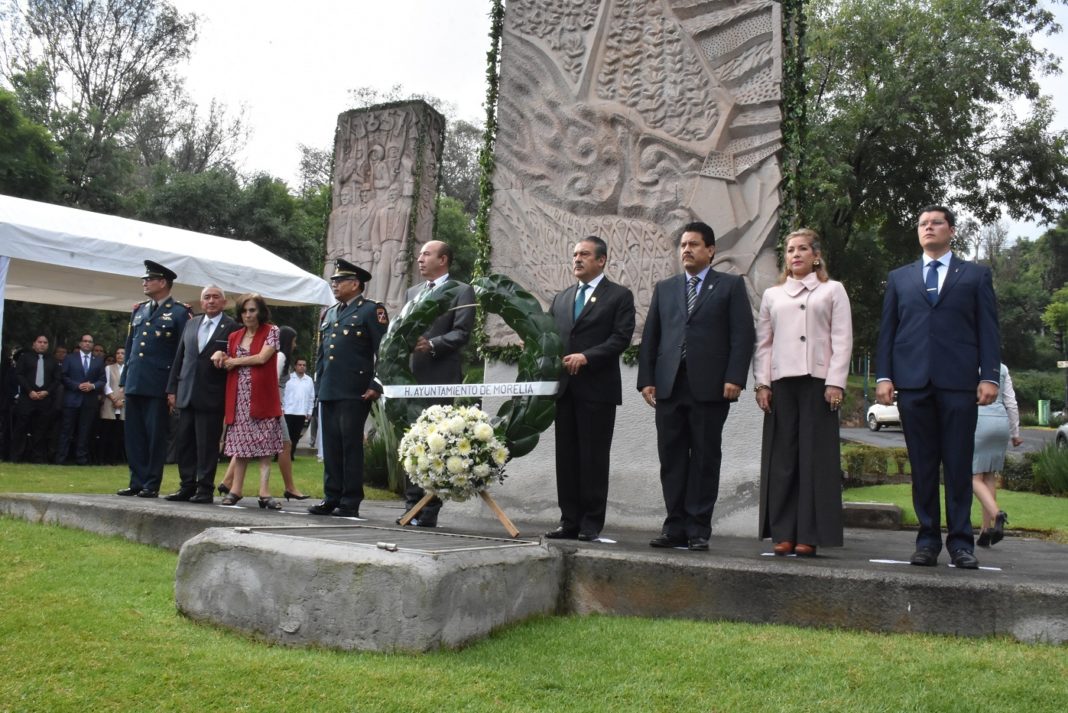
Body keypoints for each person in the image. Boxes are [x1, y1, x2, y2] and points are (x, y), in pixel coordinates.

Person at [876, 205, 1000, 570]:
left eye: (936, 223)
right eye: (922, 224)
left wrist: (989, 375)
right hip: (913, 386)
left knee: (960, 466)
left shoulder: (976, 276)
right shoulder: (900, 278)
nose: (928, 228)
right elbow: (888, 332)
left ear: (951, 230)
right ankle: (927, 541)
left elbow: (989, 331)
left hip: (959, 384)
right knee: (923, 467)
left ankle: (962, 544)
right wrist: (884, 375)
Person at [637, 221, 756, 551]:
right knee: (671, 458)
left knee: (704, 458)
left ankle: (698, 528)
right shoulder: (666, 288)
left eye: (694, 244)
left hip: (710, 387)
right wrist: (646, 379)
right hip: (670, 386)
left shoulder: (730, 286)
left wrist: (735, 377)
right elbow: (652, 337)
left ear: (711, 250)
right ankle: (674, 526)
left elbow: (742, 335)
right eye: (683, 245)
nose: (686, 250)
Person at [752, 229, 853, 557]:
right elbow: (763, 343)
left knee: (815, 460)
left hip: (818, 383)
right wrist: (763, 383)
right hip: (782, 385)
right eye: (790, 249)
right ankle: (782, 532)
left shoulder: (832, 290)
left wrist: (835, 381)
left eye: (802, 249)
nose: (795, 254)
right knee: (782, 460)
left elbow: (842, 338)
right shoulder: (773, 295)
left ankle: (809, 534)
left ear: (816, 255)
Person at [544, 236, 635, 542]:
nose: (577, 259)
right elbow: (549, 334)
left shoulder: (619, 296)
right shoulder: (562, 298)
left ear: (601, 260)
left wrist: (587, 357)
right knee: (566, 459)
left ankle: (591, 523)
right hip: (565, 390)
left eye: (584, 254)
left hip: (597, 390)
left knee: (593, 458)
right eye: (574, 255)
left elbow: (620, 338)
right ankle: (569, 521)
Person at [398, 240, 476, 527]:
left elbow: (462, 332)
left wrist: (431, 344)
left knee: (435, 445)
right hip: (410, 378)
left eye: (426, 254)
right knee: (411, 443)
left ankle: (428, 511)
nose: (420, 259)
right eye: (419, 254)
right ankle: (410, 507)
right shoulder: (413, 292)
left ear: (443, 260)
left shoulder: (460, 290)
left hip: (441, 377)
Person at [309, 259, 388, 518]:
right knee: (331, 446)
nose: (334, 285)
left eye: (339, 281)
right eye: (333, 281)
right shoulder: (330, 313)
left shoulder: (370, 310)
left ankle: (350, 500)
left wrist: (376, 383)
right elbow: (322, 354)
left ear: (355, 284)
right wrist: (319, 385)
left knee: (349, 446)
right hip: (330, 389)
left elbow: (384, 350)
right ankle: (331, 497)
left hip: (355, 390)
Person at [164, 285, 238, 503]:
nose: (211, 301)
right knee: (184, 442)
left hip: (212, 394)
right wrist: (172, 389)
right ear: (201, 301)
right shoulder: (191, 323)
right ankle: (186, 485)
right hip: (185, 391)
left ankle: (204, 488)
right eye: (207, 297)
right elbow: (180, 357)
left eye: (216, 297)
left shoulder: (232, 327)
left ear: (224, 302)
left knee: (206, 444)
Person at [211, 294, 284, 509]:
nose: (248, 315)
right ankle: (235, 490)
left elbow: (262, 358)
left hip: (263, 395)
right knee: (240, 447)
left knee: (265, 446)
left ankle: (264, 493)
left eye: (252, 310)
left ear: (260, 311)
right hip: (239, 396)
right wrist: (219, 354)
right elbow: (225, 357)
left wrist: (234, 361)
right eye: (244, 311)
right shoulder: (234, 336)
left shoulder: (272, 331)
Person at [973, 363, 1022, 547]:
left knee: (973, 477)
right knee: (989, 477)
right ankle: (986, 530)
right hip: (1001, 422)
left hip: (979, 420)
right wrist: (1015, 433)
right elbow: (1011, 402)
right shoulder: (1001, 368)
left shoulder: (969, 362)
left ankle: (997, 515)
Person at [56, 334, 106, 465]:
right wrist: (77, 385)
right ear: (80, 343)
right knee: (66, 430)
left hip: (89, 401)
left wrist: (92, 386)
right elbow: (63, 376)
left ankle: (81, 459)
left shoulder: (98, 360)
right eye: (85, 341)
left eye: (90, 342)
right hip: (72, 399)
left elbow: (102, 380)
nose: (87, 343)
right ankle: (61, 458)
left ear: (93, 344)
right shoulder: (70, 358)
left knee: (85, 431)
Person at [11, 335, 61, 463]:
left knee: (40, 429)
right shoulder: (25, 358)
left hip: (44, 400)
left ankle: (37, 457)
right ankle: (17, 456)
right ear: (34, 344)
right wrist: (29, 391)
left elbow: (57, 379)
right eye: (40, 342)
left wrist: (47, 391)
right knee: (21, 427)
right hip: (27, 398)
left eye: (45, 342)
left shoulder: (52, 360)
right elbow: (19, 375)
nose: (42, 344)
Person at [282, 356, 315, 461]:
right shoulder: (288, 378)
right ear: (295, 366)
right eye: (300, 365)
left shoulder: (309, 380)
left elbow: (311, 397)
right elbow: (282, 394)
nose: (302, 367)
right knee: (285, 436)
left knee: (295, 436)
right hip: (288, 411)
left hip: (301, 412)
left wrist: (309, 411)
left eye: (304, 365)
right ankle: (281, 456)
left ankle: (291, 455)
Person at [98, 347, 126, 465]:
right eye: (118, 353)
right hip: (110, 403)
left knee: (118, 434)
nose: (120, 355)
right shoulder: (108, 368)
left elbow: (131, 386)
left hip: (124, 405)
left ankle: (114, 459)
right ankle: (101, 459)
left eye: (122, 353)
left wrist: (123, 401)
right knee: (106, 432)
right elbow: (106, 384)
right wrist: (113, 398)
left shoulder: (130, 369)